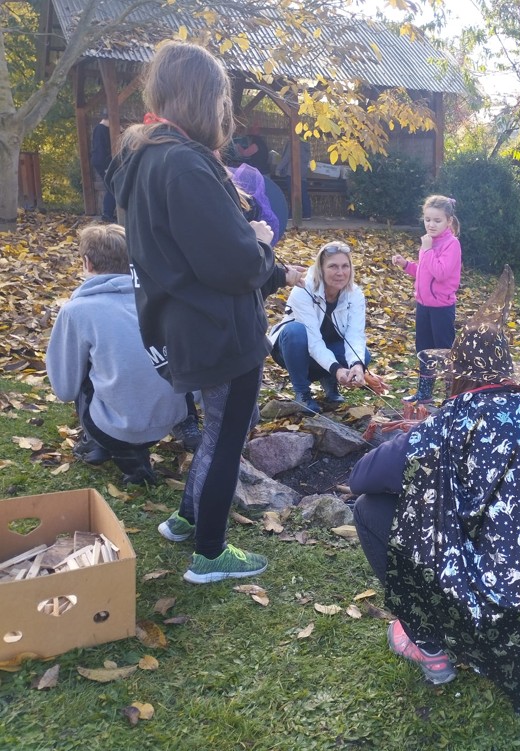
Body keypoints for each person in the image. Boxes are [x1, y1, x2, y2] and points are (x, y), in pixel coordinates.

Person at [349, 268, 520, 710]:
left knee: (370, 509)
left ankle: (428, 643)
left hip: (494, 603)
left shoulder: (450, 421)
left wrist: (416, 437)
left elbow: (362, 478)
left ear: (459, 373)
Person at [107, 41, 303, 584]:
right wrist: (259, 239)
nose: (225, 111)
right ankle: (210, 553)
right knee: (228, 435)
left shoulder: (147, 157)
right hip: (219, 329)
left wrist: (260, 257)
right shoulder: (185, 164)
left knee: (216, 429)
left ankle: (187, 518)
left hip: (186, 321)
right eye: (221, 99)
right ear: (203, 98)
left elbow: (191, 248)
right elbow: (233, 263)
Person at [45, 223, 190, 485]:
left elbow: (65, 388)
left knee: (81, 369)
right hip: (168, 421)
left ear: (87, 263)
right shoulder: (161, 302)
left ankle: (119, 450)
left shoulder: (77, 311)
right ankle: (105, 442)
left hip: (118, 428)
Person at [268, 241, 369, 413]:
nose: (340, 273)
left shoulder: (355, 294)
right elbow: (313, 340)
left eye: (345, 266)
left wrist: (357, 365)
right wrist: (336, 368)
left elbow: (355, 334)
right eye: (333, 266)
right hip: (292, 349)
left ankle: (329, 380)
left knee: (363, 356)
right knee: (295, 332)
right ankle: (302, 393)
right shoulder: (303, 289)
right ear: (320, 269)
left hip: (327, 348)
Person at [391, 195, 462, 404]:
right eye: (427, 219)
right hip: (423, 306)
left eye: (437, 220)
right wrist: (406, 265)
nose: (431, 224)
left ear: (448, 221)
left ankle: (452, 394)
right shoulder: (428, 243)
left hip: (442, 308)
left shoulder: (451, 244)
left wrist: (428, 249)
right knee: (423, 349)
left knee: (445, 351)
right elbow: (424, 271)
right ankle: (425, 392)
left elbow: (440, 273)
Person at [275, 137, 312, 219]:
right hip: (303, 172)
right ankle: (307, 213)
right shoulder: (307, 145)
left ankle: (293, 213)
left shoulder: (293, 143)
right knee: (303, 193)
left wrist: (278, 168)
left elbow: (287, 157)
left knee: (292, 193)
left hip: (292, 172)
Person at [90, 111, 116, 222]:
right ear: (107, 119)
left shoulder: (102, 129)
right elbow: (100, 150)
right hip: (103, 163)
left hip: (103, 162)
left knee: (111, 186)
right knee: (112, 187)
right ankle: (107, 214)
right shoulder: (100, 130)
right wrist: (106, 167)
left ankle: (108, 213)